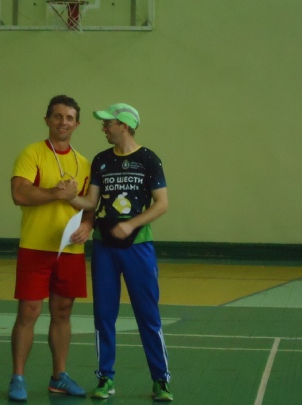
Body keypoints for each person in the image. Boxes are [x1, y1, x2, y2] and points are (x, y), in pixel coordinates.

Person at [69, 103, 173, 402]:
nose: (103, 128)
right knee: (104, 315)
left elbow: (162, 204)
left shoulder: (148, 159)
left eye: (108, 123)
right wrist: (69, 197)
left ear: (124, 125)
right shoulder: (101, 160)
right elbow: (91, 203)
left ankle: (161, 379)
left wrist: (131, 225)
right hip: (104, 248)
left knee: (148, 315)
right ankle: (105, 377)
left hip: (139, 248)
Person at [8, 95, 93, 402]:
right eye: (57, 116)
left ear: (77, 124)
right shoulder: (32, 153)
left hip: (70, 250)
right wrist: (55, 194)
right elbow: (20, 194)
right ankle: (18, 377)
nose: (63, 122)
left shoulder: (84, 163)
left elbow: (90, 206)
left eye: (69, 118)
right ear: (47, 120)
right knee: (28, 312)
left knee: (63, 312)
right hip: (35, 247)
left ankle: (59, 376)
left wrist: (88, 226)